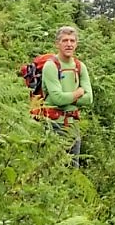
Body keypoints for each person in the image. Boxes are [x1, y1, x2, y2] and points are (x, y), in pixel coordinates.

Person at [40, 25, 93, 165]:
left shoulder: (80, 66)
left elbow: (89, 99)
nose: (69, 44)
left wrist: (66, 99)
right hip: (53, 125)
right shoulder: (51, 66)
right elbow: (57, 98)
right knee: (53, 168)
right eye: (65, 41)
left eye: (72, 41)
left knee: (73, 170)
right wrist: (78, 93)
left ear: (76, 44)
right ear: (57, 44)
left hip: (72, 125)